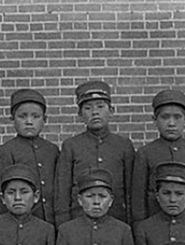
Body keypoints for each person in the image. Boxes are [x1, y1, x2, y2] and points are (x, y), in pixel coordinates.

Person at [131, 89, 185, 234]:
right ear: (154, 120)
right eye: (165, 117)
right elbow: (138, 196)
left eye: (177, 117)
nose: (171, 123)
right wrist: (139, 227)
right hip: (155, 227)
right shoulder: (145, 153)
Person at [54, 81, 134, 227]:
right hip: (79, 221)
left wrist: (130, 223)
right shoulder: (71, 146)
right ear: (80, 114)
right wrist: (64, 224)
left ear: (111, 110)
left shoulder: (124, 145)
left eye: (100, 107)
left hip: (116, 220)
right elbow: (63, 191)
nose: (95, 112)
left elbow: (130, 189)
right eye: (88, 108)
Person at [0, 88, 59, 224]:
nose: (29, 121)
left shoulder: (52, 150)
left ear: (45, 119)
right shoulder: (6, 151)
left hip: (51, 219)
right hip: (21, 221)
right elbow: (1, 190)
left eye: (35, 116)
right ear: (12, 119)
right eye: (22, 116)